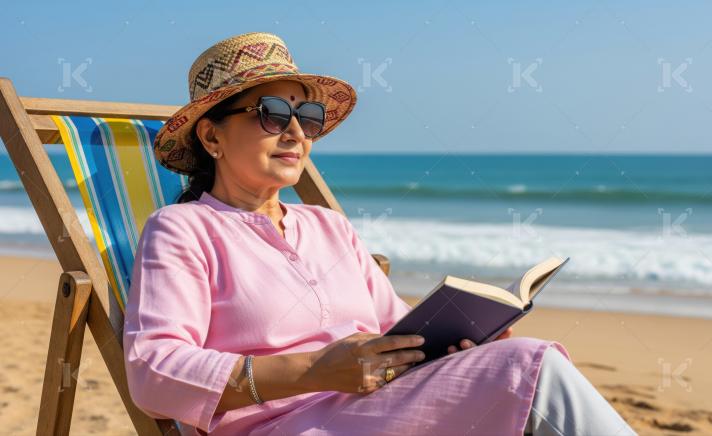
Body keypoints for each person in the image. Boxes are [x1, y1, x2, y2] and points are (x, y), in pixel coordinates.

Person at [123, 31, 635, 435]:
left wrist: (462, 346)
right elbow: (154, 369)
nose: (297, 132)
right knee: (530, 365)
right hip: (281, 424)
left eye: (308, 116)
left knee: (511, 361)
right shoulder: (183, 229)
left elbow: (397, 333)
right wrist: (315, 371)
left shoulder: (328, 227)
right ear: (212, 135)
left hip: (379, 412)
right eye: (273, 114)